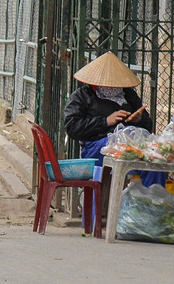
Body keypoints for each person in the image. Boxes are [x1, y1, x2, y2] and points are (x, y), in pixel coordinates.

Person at [63, 51, 163, 187]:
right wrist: (105, 121)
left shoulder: (129, 95)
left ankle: (150, 202)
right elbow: (72, 126)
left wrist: (138, 120)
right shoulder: (82, 96)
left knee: (156, 159)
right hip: (98, 146)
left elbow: (147, 125)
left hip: (132, 144)